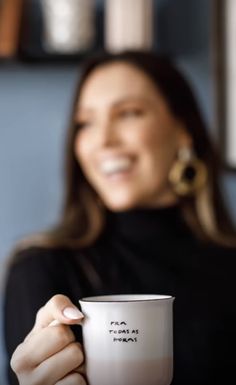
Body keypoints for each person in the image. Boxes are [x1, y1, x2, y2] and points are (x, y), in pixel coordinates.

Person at [3, 50, 236, 385]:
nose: (103, 140)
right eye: (85, 123)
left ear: (183, 130)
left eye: (128, 113)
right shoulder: (41, 267)